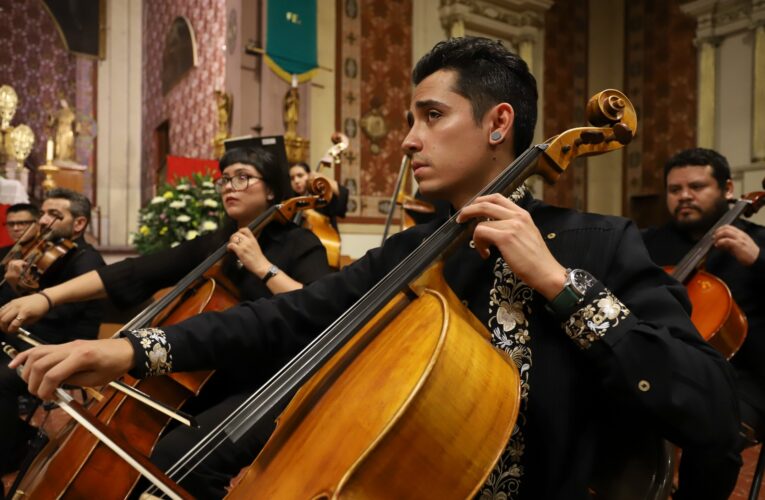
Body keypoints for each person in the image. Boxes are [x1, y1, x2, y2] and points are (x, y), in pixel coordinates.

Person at [5, 37, 740, 499]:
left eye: (430, 117)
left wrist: (554, 282)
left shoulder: (597, 244)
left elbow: (707, 407)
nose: (407, 141)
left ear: (498, 124)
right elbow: (285, 318)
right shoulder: (416, 254)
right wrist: (127, 350)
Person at [0, 147, 331, 497]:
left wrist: (262, 266)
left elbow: (316, 308)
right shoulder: (216, 244)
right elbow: (131, 272)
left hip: (265, 376)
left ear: (271, 190)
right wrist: (46, 297)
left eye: (243, 177)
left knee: (180, 456)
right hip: (206, 372)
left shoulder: (301, 244)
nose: (230, 186)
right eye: (225, 178)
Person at [641, 147, 765, 499]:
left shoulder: (757, 243)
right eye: (675, 189)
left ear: (727, 189)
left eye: (696, 187)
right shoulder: (648, 244)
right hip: (662, 367)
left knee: (713, 430)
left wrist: (758, 261)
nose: (684, 197)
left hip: (743, 378)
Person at [0, 188, 104, 476]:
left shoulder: (87, 261)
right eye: (43, 213)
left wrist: (14, 289)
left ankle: (15, 451)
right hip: (32, 340)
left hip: (63, 348)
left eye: (54, 215)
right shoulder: (52, 254)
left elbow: (56, 318)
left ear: (79, 223)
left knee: (1, 380)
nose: (43, 221)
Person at [289, 161, 349, 230]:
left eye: (300, 175)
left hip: (326, 238)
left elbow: (343, 194)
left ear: (309, 175)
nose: (296, 181)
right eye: (292, 178)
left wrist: (320, 176)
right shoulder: (291, 202)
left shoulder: (321, 196)